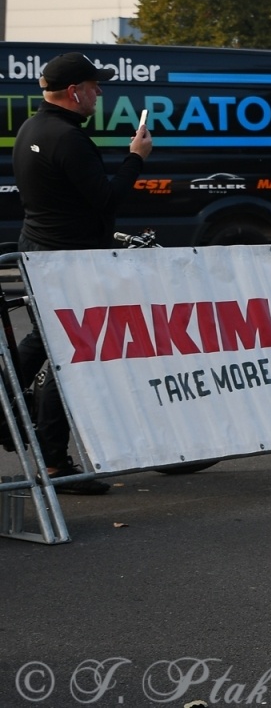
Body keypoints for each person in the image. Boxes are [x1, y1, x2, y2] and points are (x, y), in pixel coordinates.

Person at [7, 52, 153, 494]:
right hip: (70, 260)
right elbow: (106, 201)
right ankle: (55, 465)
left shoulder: (31, 128)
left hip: (38, 249)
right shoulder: (68, 138)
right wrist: (136, 158)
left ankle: (5, 405)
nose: (100, 93)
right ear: (75, 93)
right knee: (70, 355)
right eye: (94, 86)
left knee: (42, 337)